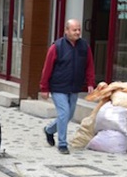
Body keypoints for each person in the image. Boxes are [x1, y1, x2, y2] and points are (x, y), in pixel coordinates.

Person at [40, 19, 95, 154]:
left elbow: (89, 66)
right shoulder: (57, 47)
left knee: (68, 115)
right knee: (64, 112)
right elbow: (47, 68)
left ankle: (49, 130)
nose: (77, 32)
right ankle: (63, 144)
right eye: (74, 30)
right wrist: (44, 88)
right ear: (66, 31)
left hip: (74, 87)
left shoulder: (84, 47)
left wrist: (90, 83)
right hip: (58, 86)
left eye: (79, 30)